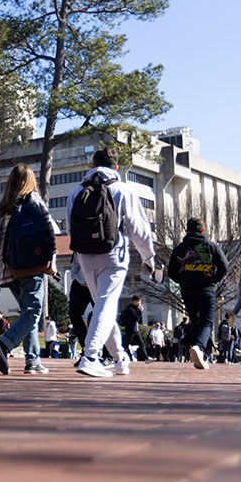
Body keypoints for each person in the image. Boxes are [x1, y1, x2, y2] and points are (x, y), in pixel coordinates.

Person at [66, 148, 156, 379]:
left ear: (92, 164)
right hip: (114, 255)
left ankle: (119, 359)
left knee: (103, 309)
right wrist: (148, 258)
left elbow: (70, 229)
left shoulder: (76, 192)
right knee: (105, 307)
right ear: (115, 167)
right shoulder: (122, 189)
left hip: (86, 258)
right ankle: (90, 356)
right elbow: (139, 228)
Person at [0, 164, 59, 375]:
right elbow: (49, 232)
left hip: (10, 270)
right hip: (32, 265)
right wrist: (52, 261)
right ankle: (5, 344)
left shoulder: (0, 208)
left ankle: (32, 361)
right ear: (31, 181)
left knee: (27, 313)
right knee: (33, 312)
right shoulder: (34, 201)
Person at [167, 216, 229, 369]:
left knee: (194, 320)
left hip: (187, 290)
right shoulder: (210, 246)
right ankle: (199, 348)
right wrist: (214, 279)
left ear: (186, 230)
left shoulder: (179, 249)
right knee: (207, 321)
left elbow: (171, 272)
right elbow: (224, 266)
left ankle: (198, 355)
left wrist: (182, 280)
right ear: (203, 230)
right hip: (206, 288)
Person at [118, 296, 144, 362]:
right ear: (134, 301)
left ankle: (146, 357)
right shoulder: (130, 309)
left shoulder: (135, 308)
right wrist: (140, 311)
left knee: (141, 343)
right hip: (130, 329)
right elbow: (137, 318)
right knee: (126, 343)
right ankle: (122, 356)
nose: (139, 303)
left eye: (140, 301)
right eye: (138, 301)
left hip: (135, 329)